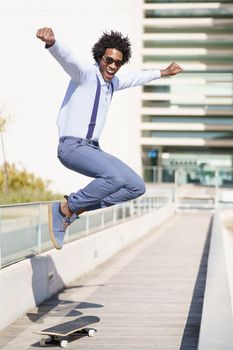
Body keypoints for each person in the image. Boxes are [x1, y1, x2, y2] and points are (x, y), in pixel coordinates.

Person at [36, 27, 182, 250]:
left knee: (135, 186)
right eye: (109, 60)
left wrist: (162, 72)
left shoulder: (112, 83)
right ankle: (65, 209)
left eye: (118, 63)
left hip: (92, 148)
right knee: (113, 177)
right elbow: (68, 60)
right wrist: (53, 44)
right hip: (71, 146)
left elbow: (135, 78)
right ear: (100, 57)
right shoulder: (84, 74)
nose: (113, 66)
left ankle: (74, 210)